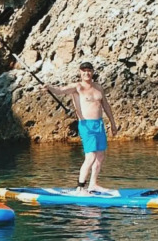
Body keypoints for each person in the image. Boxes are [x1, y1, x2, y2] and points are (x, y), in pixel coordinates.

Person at [44, 61, 118, 194]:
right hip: (86, 125)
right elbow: (60, 91)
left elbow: (105, 105)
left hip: (99, 124)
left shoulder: (98, 87)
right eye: (84, 71)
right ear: (80, 72)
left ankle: (93, 184)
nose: (86, 73)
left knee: (100, 155)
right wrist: (49, 88)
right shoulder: (77, 87)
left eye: (89, 70)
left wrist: (112, 123)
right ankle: (80, 187)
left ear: (92, 72)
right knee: (90, 156)